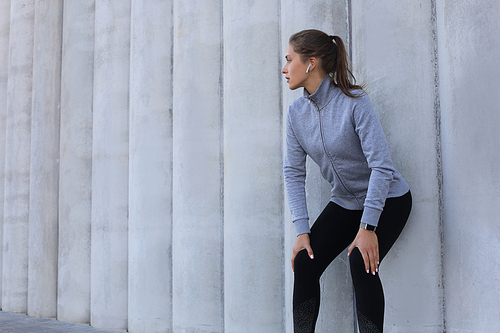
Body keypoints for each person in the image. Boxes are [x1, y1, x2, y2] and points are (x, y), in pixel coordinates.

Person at [282, 29, 412, 333]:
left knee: (360, 261)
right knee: (304, 262)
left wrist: (367, 228)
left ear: (311, 63)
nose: (285, 68)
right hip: (345, 200)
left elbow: (381, 167)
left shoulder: (354, 102)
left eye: (289, 60)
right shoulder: (296, 114)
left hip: (389, 199)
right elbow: (293, 173)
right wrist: (302, 231)